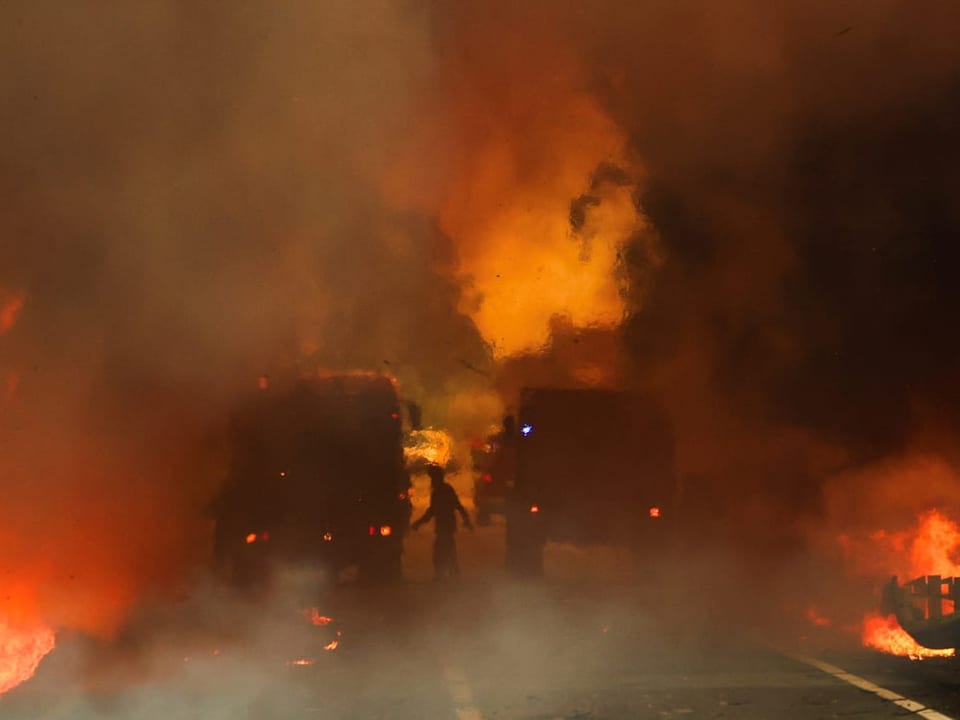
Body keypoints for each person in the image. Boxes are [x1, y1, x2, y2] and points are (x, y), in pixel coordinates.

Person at [411, 465, 473, 578]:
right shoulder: (444, 490)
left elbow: (434, 511)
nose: (431, 481)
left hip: (445, 525)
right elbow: (435, 510)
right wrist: (466, 520)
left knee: (441, 550)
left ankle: (443, 573)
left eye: (432, 478)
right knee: (448, 549)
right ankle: (451, 572)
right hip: (446, 525)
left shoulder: (442, 491)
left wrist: (418, 523)